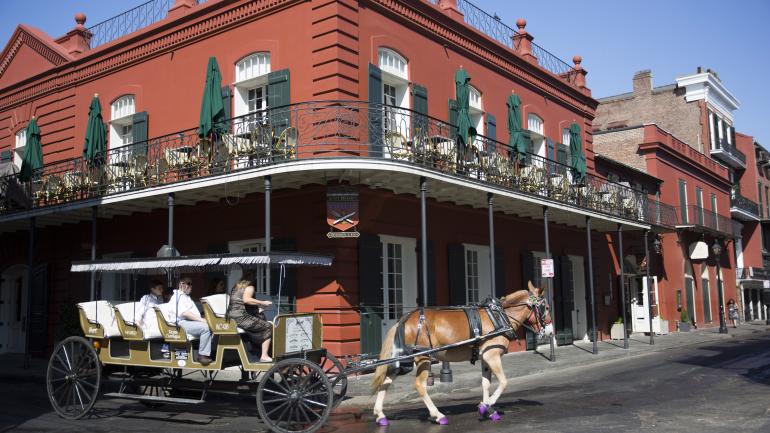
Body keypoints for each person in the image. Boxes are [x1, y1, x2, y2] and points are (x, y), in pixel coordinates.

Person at [160, 277, 214, 365]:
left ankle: (210, 352)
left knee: (213, 325)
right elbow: (184, 313)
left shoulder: (186, 296)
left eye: (191, 284)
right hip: (180, 323)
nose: (191, 286)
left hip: (189, 322)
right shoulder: (177, 296)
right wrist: (202, 320)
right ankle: (202, 355)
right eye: (188, 284)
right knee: (206, 328)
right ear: (181, 284)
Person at [227, 280, 274, 362]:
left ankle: (256, 352)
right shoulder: (250, 287)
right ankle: (264, 355)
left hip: (233, 317)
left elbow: (240, 305)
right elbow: (246, 300)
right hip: (240, 318)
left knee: (263, 321)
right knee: (268, 326)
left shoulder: (236, 287)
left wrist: (260, 309)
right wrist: (263, 302)